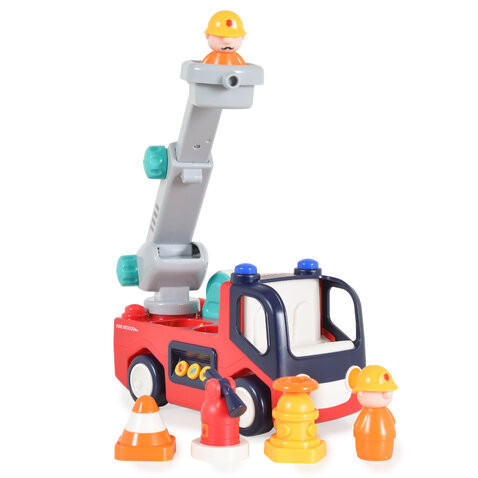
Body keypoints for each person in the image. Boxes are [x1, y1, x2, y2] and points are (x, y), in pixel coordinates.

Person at [347, 365, 398, 461]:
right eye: (384, 392)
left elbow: (358, 426)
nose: (387, 394)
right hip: (367, 445)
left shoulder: (384, 412)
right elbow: (358, 427)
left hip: (385, 443)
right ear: (361, 392)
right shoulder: (367, 413)